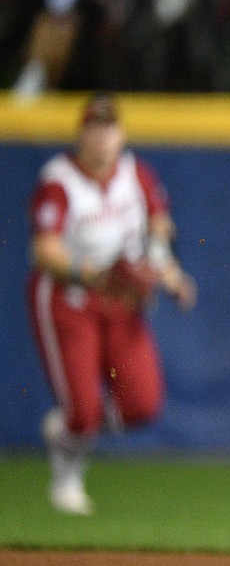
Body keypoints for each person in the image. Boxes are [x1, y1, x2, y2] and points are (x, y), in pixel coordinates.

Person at [27, 93, 197, 516]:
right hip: (70, 301)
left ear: (120, 133)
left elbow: (159, 227)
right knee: (84, 412)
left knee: (141, 405)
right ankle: (68, 473)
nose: (103, 138)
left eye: (110, 128)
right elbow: (45, 250)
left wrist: (169, 273)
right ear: (82, 134)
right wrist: (94, 274)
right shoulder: (59, 178)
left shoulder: (135, 172)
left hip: (120, 304)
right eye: (94, 129)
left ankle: (69, 425)